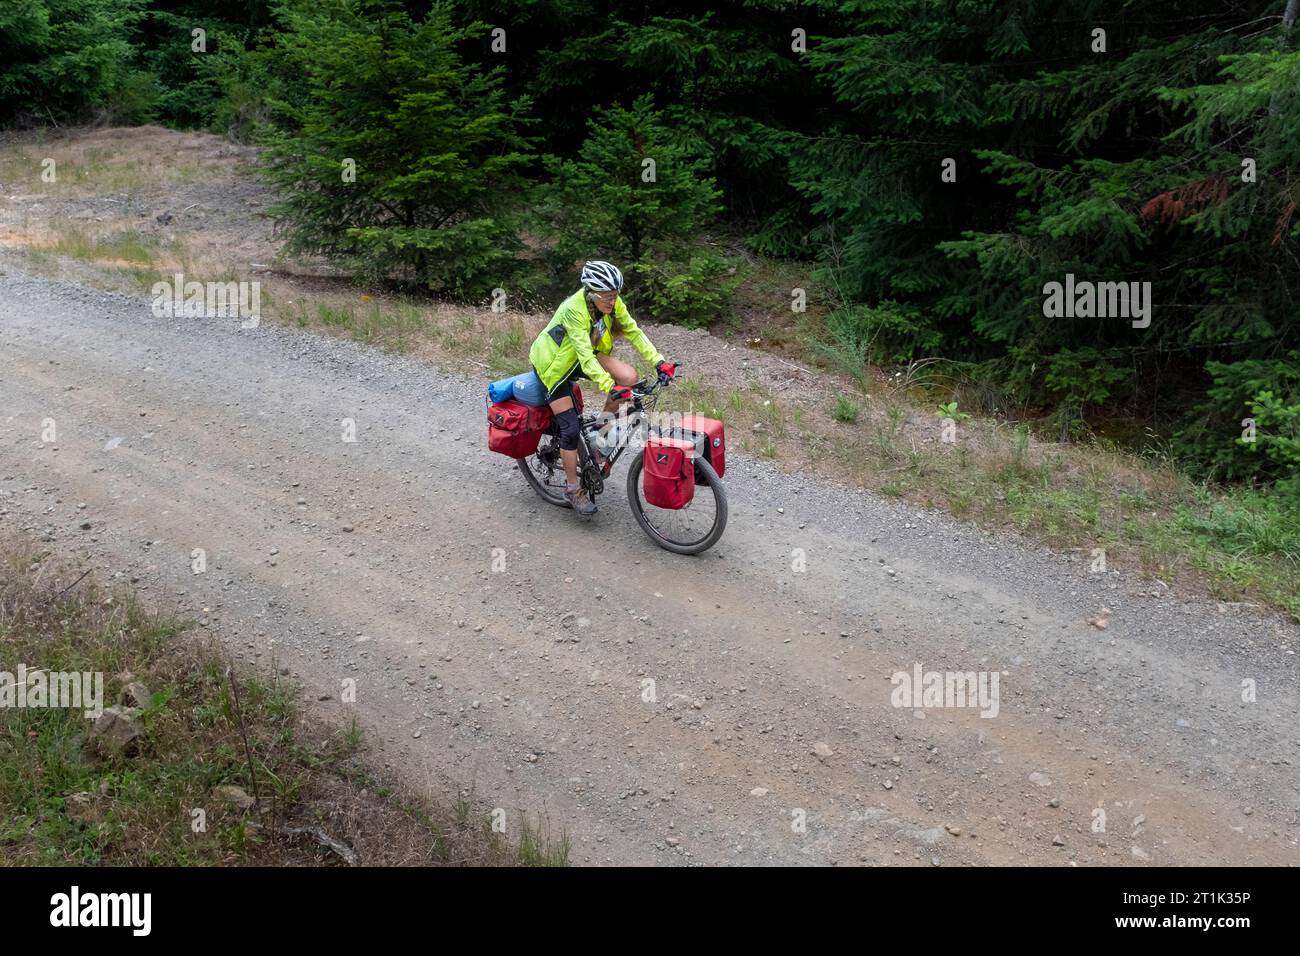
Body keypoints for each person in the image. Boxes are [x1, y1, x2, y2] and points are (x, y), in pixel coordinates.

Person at [528, 260, 677, 515]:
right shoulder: (573, 309)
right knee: (570, 428)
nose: (613, 301)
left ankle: (599, 430)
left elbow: (634, 331)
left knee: (628, 377)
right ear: (592, 293)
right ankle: (573, 489)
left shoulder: (611, 302)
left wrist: (659, 362)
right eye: (608, 297)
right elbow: (585, 356)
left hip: (581, 355)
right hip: (554, 366)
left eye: (616, 295)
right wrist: (609, 386)